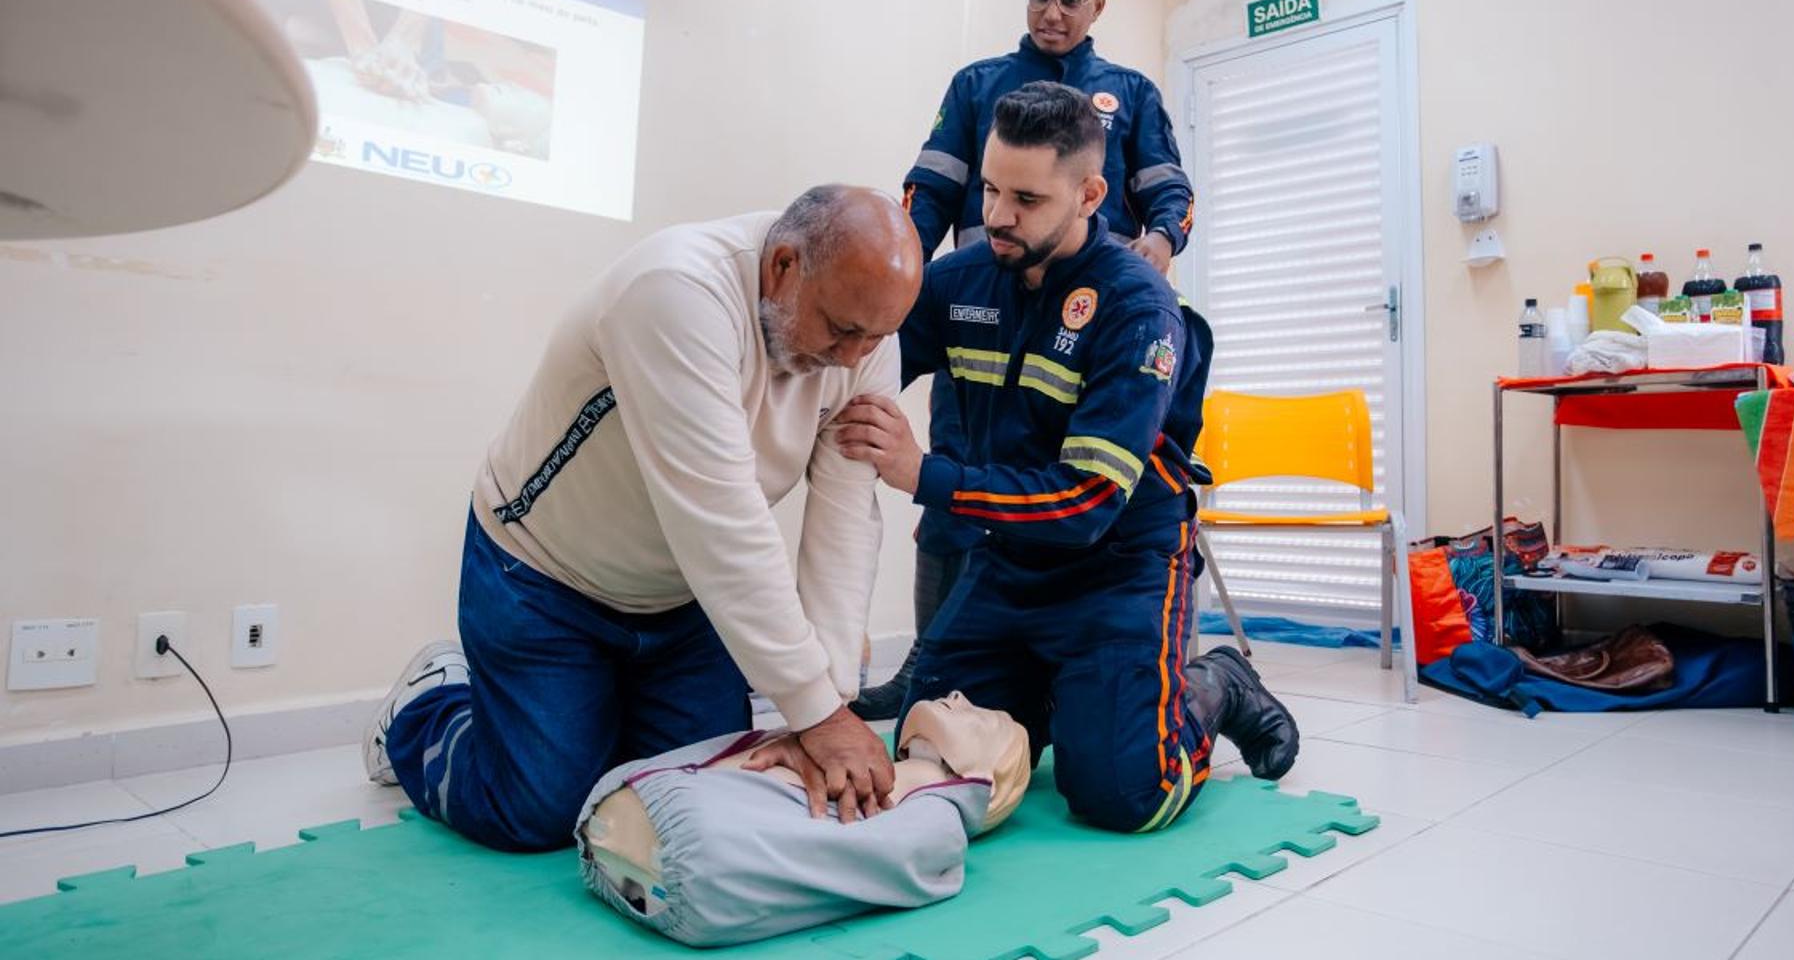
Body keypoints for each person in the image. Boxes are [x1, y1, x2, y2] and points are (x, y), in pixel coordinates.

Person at [362, 186, 922, 852]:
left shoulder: (864, 336)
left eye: (876, 337)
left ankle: (587, 722)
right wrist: (817, 714)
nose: (856, 357)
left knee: (695, 800)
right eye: (840, 330)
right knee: (538, 811)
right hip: (544, 578)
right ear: (782, 266)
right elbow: (722, 521)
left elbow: (843, 518)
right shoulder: (675, 292)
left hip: (683, 602)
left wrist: (830, 699)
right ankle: (427, 706)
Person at [836, 83, 1299, 835]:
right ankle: (1070, 695)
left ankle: (1218, 684)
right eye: (989, 188)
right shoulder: (959, 282)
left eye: (1025, 198)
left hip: (1119, 561)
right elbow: (859, 364)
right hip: (1010, 561)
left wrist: (923, 473)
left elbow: (1085, 503)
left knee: (1123, 796)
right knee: (934, 748)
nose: (994, 216)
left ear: (1090, 194)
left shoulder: (1139, 311)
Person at [855, 0, 1195, 720]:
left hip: (1081, 323)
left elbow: (1169, 190)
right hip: (980, 321)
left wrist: (1162, 240)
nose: (1050, 11)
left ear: (1096, 5)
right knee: (954, 478)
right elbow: (929, 190)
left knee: (1055, 486)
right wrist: (900, 281)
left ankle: (1067, 662)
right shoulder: (980, 85)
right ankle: (928, 665)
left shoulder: (1129, 93)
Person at [576, 692, 1030, 947]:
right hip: (645, 807)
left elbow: (882, 861)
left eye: (983, 716)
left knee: (713, 844)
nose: (959, 696)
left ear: (987, 780)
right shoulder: (859, 744)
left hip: (684, 852)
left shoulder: (937, 826)